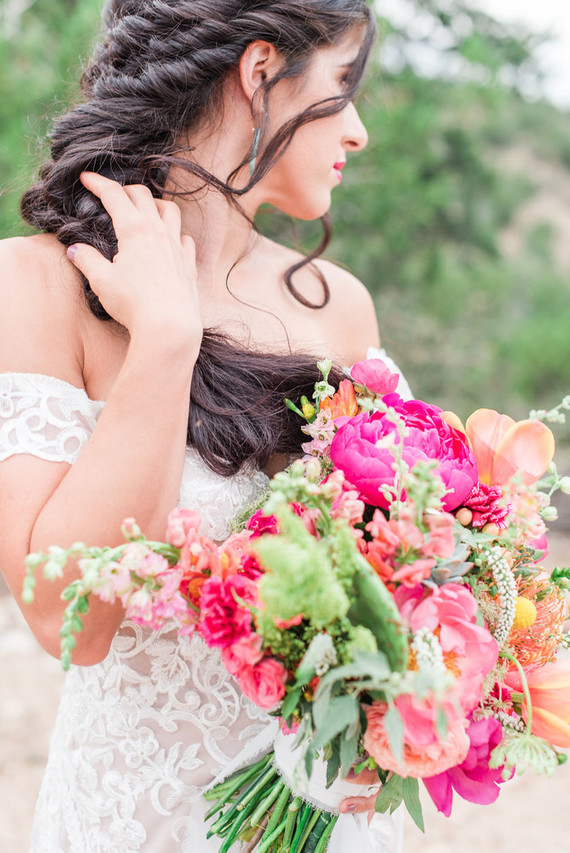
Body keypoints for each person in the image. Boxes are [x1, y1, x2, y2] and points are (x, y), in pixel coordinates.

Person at [0, 1, 404, 850]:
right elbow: (70, 618)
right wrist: (164, 341)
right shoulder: (35, 286)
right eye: (342, 84)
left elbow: (399, 576)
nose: (359, 131)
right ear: (260, 72)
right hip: (141, 821)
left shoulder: (339, 306)